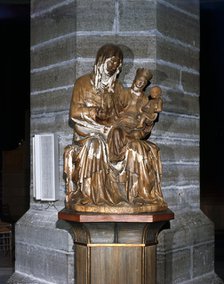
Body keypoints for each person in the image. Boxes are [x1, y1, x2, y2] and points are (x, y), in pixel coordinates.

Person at [64, 44, 167, 213]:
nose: (113, 66)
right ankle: (92, 196)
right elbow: (74, 112)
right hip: (88, 131)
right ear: (101, 60)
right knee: (95, 147)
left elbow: (126, 115)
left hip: (113, 132)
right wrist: (94, 112)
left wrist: (146, 120)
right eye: (111, 61)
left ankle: (138, 196)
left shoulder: (118, 88)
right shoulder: (83, 83)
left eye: (117, 64)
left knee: (138, 149)